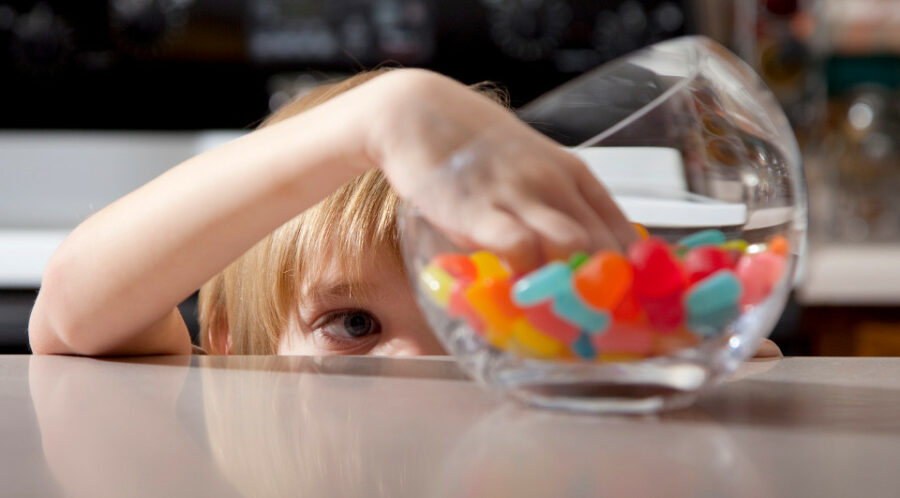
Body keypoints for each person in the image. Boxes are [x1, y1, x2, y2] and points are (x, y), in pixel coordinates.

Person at [28, 67, 781, 358]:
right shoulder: (202, 466)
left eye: (472, 325)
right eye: (355, 325)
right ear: (230, 349)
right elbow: (69, 314)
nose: (423, 368)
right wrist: (384, 118)